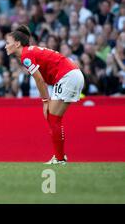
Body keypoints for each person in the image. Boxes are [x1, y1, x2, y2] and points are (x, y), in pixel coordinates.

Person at [5, 25, 85, 165]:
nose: (5, 46)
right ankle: (59, 157)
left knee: (53, 118)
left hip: (67, 76)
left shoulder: (26, 55)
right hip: (71, 74)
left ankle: (59, 158)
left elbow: (39, 79)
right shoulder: (29, 51)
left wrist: (45, 101)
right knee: (53, 118)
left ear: (17, 43)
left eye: (8, 43)